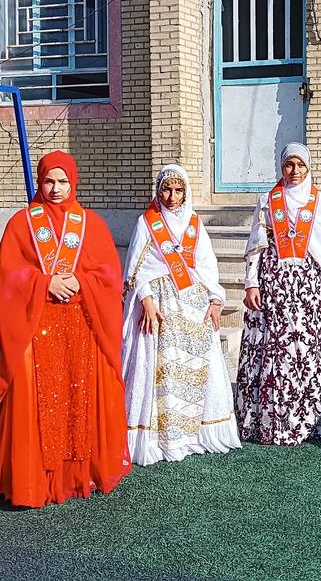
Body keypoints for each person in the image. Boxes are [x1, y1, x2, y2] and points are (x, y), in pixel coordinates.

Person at [0, 151, 131, 507]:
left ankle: (78, 472)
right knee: (37, 401)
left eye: (63, 181)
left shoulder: (91, 224)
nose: (55, 189)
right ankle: (36, 477)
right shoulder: (21, 223)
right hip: (36, 326)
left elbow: (109, 276)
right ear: (39, 183)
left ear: (73, 183)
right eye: (49, 181)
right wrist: (43, 283)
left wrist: (82, 281)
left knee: (77, 397)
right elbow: (7, 275)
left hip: (81, 325)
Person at [236, 143, 321, 446]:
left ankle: (313, 420)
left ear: (308, 167)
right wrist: (251, 283)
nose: (295, 171)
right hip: (274, 286)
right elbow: (256, 246)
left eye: (300, 165)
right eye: (289, 165)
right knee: (278, 351)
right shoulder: (267, 201)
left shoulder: (320, 202)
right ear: (281, 167)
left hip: (311, 289)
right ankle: (274, 420)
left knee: (308, 351)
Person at [121, 165, 241, 464]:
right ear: (158, 190)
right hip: (160, 305)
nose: (172, 197)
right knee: (163, 367)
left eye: (178, 191)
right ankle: (161, 437)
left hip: (193, 303)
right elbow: (135, 268)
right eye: (166, 189)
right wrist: (146, 300)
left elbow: (207, 264)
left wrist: (216, 299)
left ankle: (194, 433)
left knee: (194, 365)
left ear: (186, 192)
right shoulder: (146, 222)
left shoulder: (194, 224)